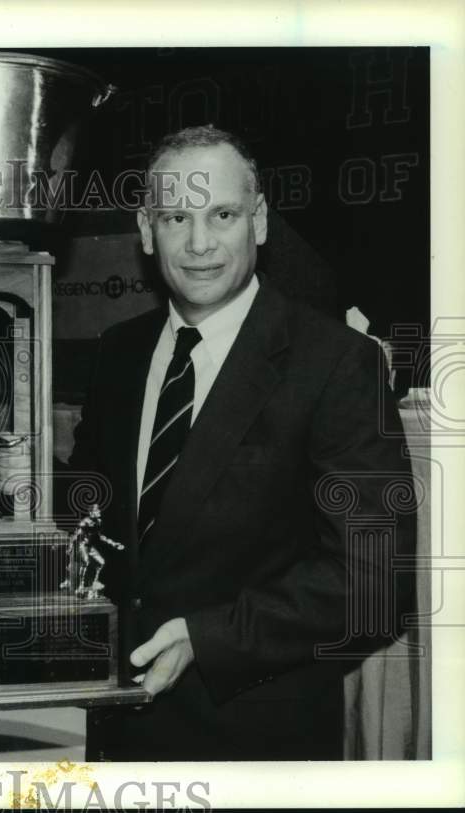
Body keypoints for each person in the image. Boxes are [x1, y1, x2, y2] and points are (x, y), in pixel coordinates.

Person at [66, 125, 416, 760]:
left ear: (258, 221)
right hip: (116, 739)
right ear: (146, 230)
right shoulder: (119, 353)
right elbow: (96, 517)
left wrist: (209, 639)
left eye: (221, 214)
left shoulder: (337, 363)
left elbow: (374, 584)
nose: (200, 244)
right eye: (176, 217)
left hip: (255, 746)